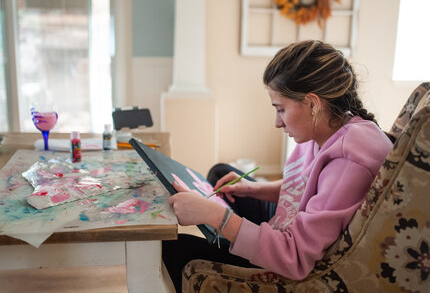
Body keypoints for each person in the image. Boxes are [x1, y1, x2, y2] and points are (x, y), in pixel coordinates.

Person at [162, 40, 393, 291]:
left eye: (281, 109)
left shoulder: (349, 162)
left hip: (289, 258)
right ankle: (233, 239)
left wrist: (216, 216)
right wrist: (253, 189)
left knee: (174, 248)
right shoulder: (331, 124)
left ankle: (233, 243)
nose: (277, 123)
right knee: (220, 173)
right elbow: (308, 185)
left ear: (313, 104)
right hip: (290, 220)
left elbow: (295, 257)